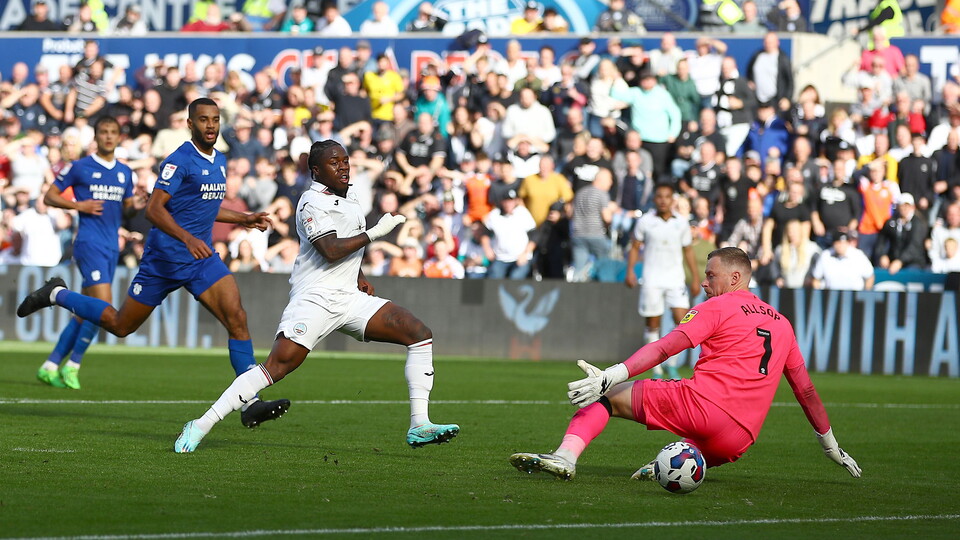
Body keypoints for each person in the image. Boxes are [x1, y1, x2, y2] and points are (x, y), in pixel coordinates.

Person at [17, 98, 290, 429]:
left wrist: (243, 218)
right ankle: (55, 294)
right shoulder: (178, 160)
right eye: (203, 119)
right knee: (121, 325)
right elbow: (154, 209)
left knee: (238, 318)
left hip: (200, 260)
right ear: (190, 124)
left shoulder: (219, 160)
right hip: (165, 259)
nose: (210, 125)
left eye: (215, 119)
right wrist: (187, 238)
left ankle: (250, 402)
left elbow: (206, 205)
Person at [173, 140, 460, 453]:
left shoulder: (350, 196)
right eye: (334, 162)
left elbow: (347, 243)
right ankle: (200, 425)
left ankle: (419, 424)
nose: (343, 166)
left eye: (345, 160)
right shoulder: (311, 202)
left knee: (418, 333)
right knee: (277, 367)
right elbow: (330, 250)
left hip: (349, 297)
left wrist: (359, 275)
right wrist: (375, 233)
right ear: (316, 171)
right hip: (316, 298)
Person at [509, 247, 862, 484]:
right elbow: (805, 390)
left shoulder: (717, 307)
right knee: (694, 443)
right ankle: (670, 464)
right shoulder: (782, 323)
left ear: (734, 278)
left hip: (703, 407)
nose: (704, 283)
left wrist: (613, 374)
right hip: (738, 440)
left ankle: (565, 457)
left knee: (607, 398)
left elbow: (666, 347)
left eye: (711, 275)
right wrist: (830, 445)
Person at [34, 117, 140, 389]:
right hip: (89, 244)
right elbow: (49, 196)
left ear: (119, 137)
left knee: (84, 313)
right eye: (103, 132)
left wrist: (137, 204)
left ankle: (50, 365)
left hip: (111, 247)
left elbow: (128, 209)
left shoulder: (125, 172)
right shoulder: (80, 167)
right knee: (103, 307)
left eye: (113, 132)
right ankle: (73, 365)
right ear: (96, 136)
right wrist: (79, 206)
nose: (108, 136)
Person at [624, 183, 701, 380]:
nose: (663, 200)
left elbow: (688, 250)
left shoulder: (681, 223)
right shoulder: (645, 221)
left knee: (683, 322)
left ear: (672, 199)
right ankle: (656, 368)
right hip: (652, 278)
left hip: (676, 278)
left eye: (667, 196)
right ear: (654, 199)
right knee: (653, 324)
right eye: (659, 196)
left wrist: (695, 278)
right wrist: (630, 270)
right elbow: (635, 246)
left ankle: (671, 365)